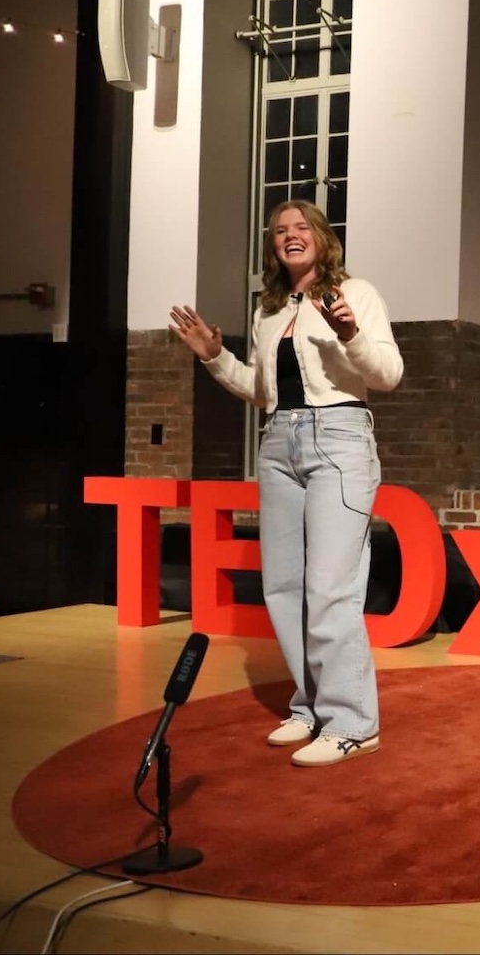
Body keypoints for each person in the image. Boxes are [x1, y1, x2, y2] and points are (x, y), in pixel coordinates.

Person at [169, 199, 403, 767]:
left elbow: (388, 375)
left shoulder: (358, 294)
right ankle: (312, 706)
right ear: (273, 246)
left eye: (301, 228)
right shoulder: (270, 311)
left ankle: (352, 723)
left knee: (330, 587)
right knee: (284, 586)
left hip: (339, 438)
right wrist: (215, 357)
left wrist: (348, 332)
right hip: (279, 443)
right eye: (280, 231)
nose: (289, 236)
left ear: (322, 237)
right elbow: (263, 390)